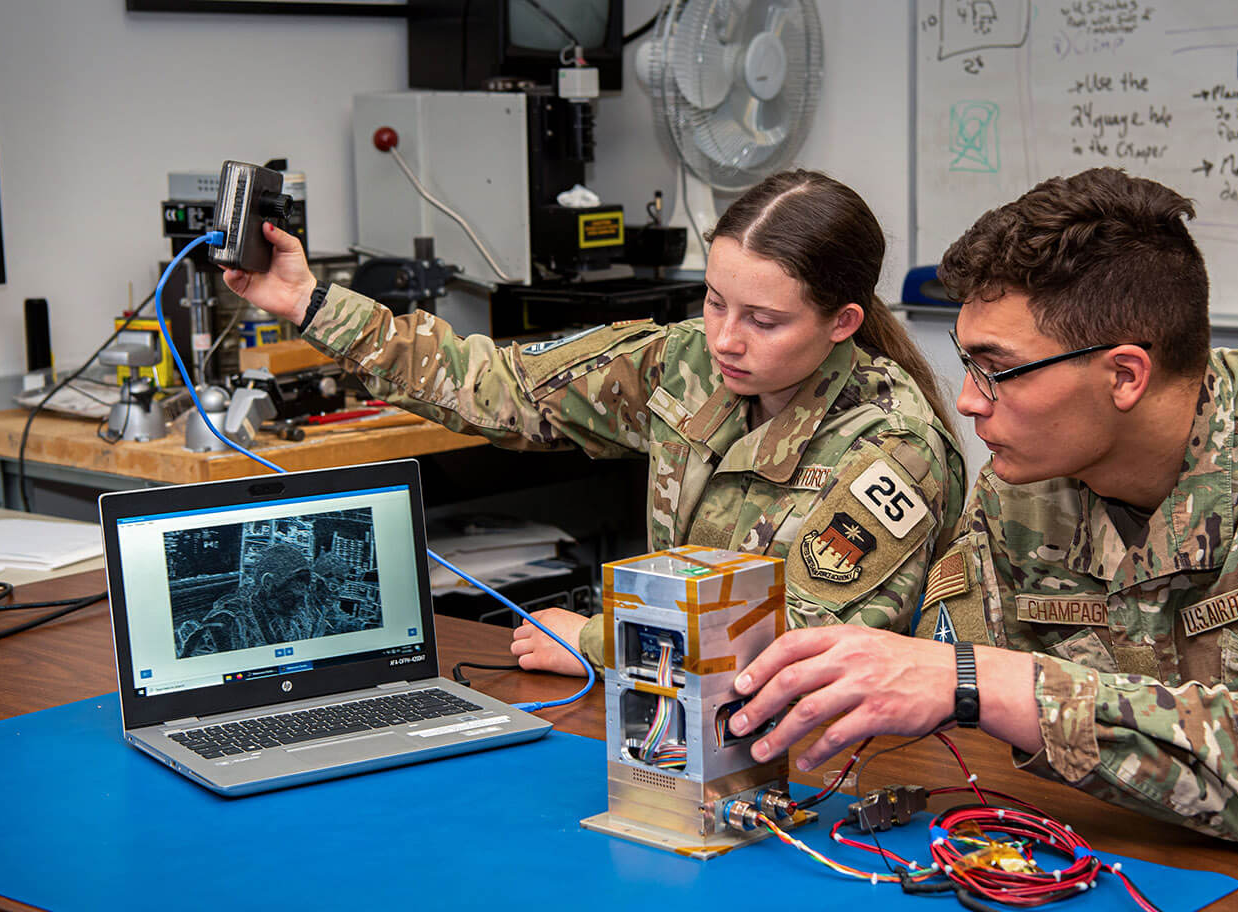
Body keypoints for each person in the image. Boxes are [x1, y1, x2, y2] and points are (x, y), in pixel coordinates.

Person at [725, 167, 1238, 849]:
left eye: (999, 371)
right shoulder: (1023, 478)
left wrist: (984, 682)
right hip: (1129, 840)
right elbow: (940, 700)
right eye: (966, 362)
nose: (966, 403)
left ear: (1125, 375)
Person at [223, 170, 966, 673]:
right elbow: (500, 385)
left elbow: (795, 643)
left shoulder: (893, 448)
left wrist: (593, 639)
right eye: (714, 301)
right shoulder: (690, 362)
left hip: (817, 764)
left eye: (764, 320)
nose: (724, 339)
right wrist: (312, 305)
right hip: (674, 717)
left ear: (842, 322)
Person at [177, 542, 316, 656]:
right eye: (291, 597)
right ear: (267, 583)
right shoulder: (227, 623)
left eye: (302, 597)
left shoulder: (294, 621)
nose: (300, 605)